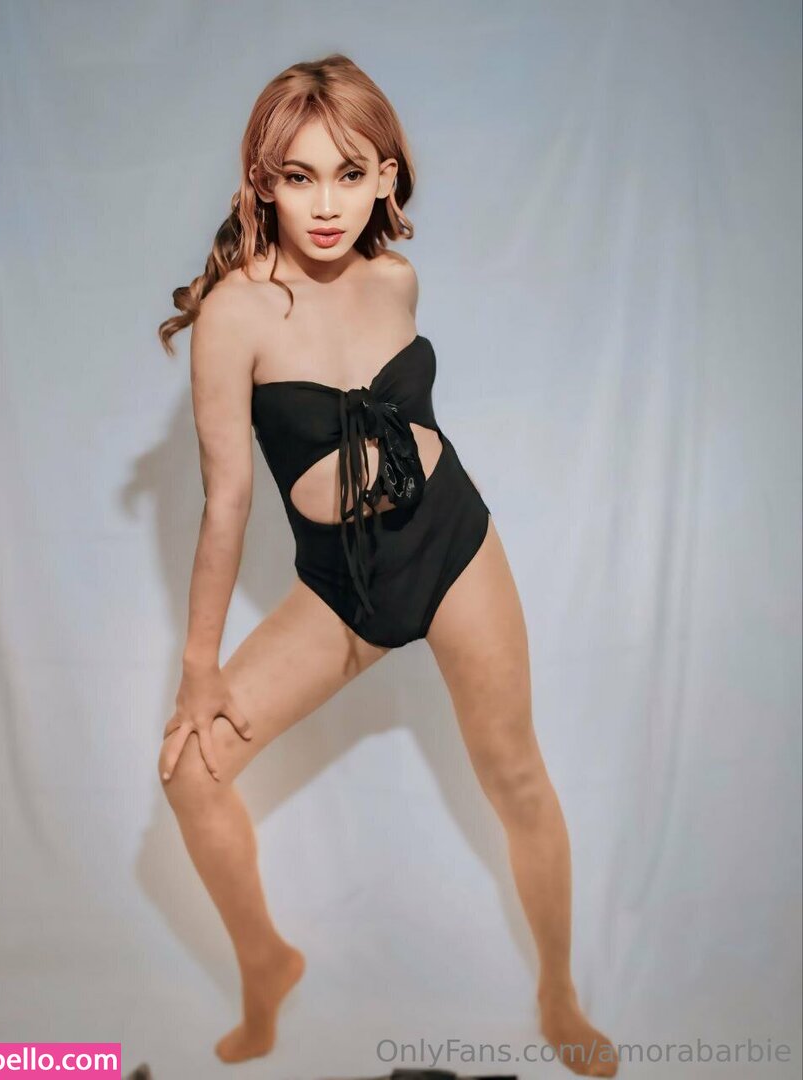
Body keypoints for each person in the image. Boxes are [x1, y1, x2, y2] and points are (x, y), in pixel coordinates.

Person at [156, 53, 618, 1078]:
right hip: (342, 586)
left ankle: (557, 990)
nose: (327, 205)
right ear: (262, 181)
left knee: (517, 776)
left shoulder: (395, 280)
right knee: (190, 775)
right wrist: (197, 666)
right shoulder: (235, 314)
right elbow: (226, 502)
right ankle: (267, 963)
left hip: (452, 548)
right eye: (300, 177)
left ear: (386, 178)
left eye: (350, 174)